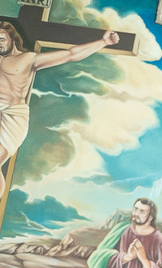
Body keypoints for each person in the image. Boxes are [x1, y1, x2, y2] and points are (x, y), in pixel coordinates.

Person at [0, 22, 119, 191]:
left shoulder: (28, 59)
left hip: (13, 116)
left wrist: (103, 42)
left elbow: (71, 54)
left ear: (12, 38)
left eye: (1, 39)